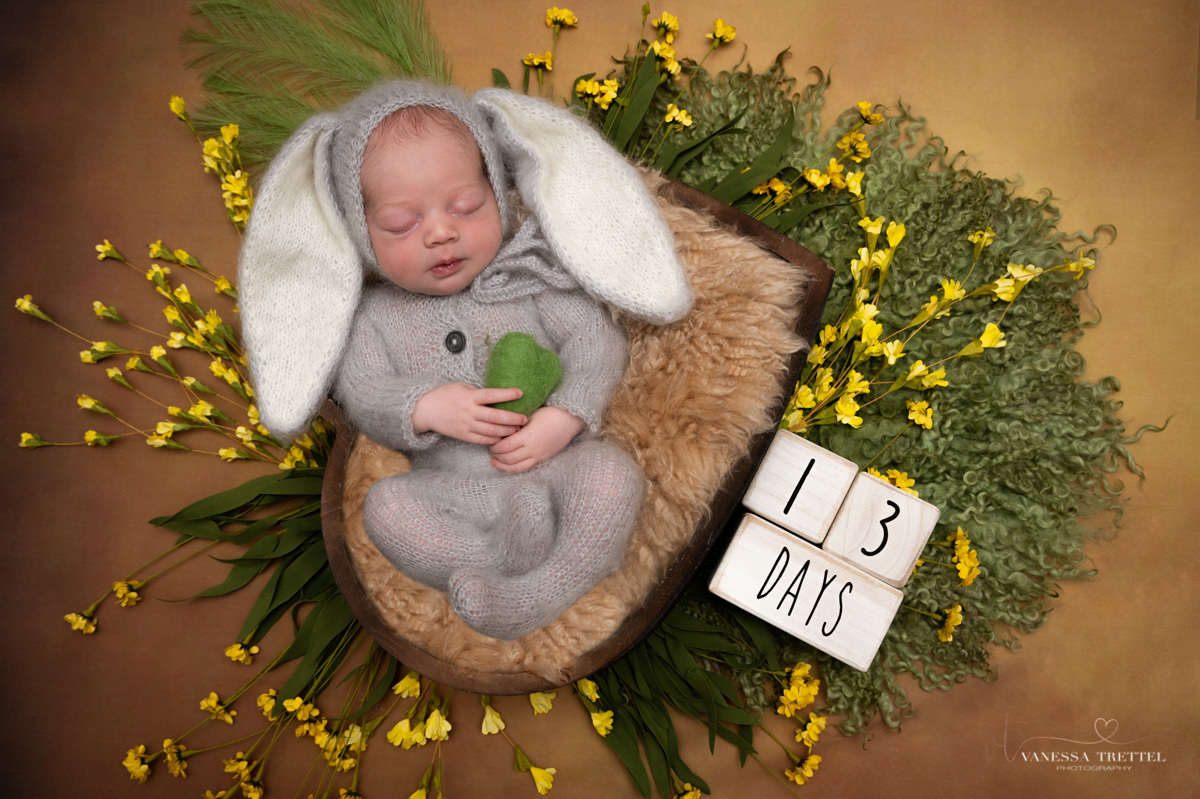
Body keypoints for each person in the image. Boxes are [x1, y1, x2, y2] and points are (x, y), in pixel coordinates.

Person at [238, 81, 692, 640]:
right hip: (451, 491)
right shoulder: (373, 316)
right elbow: (366, 390)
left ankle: (543, 589)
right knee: (386, 509)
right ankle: (496, 558)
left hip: (550, 469)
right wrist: (425, 405)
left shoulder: (527, 273)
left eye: (466, 206)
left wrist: (565, 416)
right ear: (361, 234)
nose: (441, 232)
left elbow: (594, 343)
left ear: (496, 192)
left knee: (612, 477)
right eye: (403, 224)